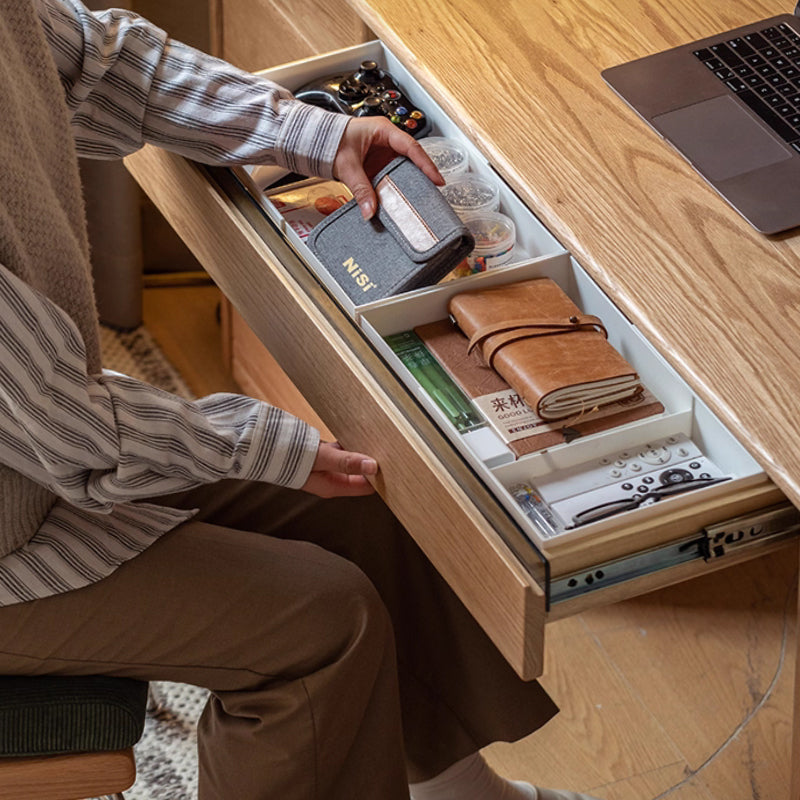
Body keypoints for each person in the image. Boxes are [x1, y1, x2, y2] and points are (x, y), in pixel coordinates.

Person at [0, 1, 604, 798]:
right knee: (324, 624)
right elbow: (68, 430)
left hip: (28, 460)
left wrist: (319, 134)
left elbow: (105, 61)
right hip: (20, 515)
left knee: (364, 505)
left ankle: (463, 793)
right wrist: (265, 446)